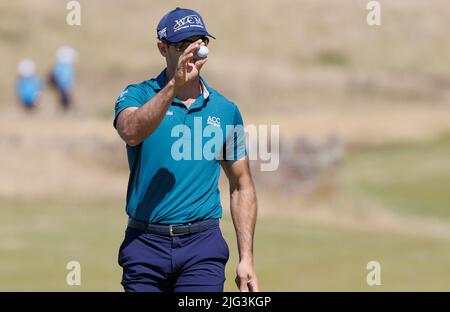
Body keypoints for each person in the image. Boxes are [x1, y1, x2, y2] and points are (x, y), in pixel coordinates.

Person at [114, 7, 259, 292]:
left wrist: (247, 259)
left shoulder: (226, 110)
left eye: (201, 41)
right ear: (162, 48)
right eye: (183, 44)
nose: (194, 50)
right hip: (144, 245)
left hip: (202, 248)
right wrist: (173, 87)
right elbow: (131, 131)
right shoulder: (138, 94)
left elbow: (242, 185)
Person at [49, 46, 77, 110]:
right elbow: (65, 79)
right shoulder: (65, 68)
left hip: (62, 88)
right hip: (64, 88)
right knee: (65, 101)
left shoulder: (59, 66)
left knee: (62, 101)